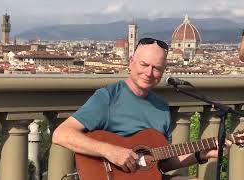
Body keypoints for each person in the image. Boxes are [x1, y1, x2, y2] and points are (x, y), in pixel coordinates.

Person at [52, 38, 231, 180]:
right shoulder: (108, 97)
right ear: (131, 62)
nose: (149, 73)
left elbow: (159, 163)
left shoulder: (161, 107)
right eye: (144, 65)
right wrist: (110, 151)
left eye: (156, 68)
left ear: (163, 71)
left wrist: (201, 155)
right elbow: (61, 134)